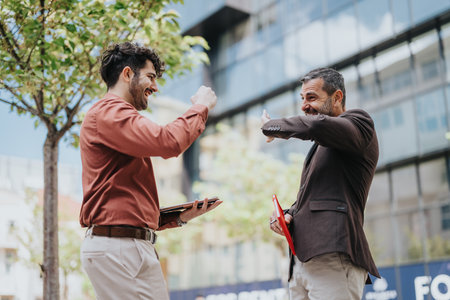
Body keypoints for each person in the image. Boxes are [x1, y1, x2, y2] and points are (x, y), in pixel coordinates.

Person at [79, 42, 221, 300]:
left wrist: (177, 217)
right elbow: (167, 142)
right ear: (127, 74)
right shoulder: (109, 112)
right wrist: (200, 107)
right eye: (151, 77)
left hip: (125, 245)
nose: (155, 87)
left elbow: (122, 196)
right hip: (119, 247)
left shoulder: (113, 117)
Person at [261, 67, 380, 300]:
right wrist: (287, 217)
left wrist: (270, 126)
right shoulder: (322, 146)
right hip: (301, 263)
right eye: (302, 99)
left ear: (337, 97)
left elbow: (316, 125)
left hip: (334, 256)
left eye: (312, 97)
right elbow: (316, 201)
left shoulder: (360, 123)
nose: (305, 105)